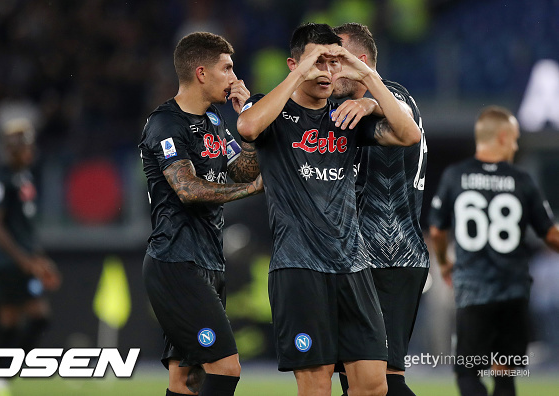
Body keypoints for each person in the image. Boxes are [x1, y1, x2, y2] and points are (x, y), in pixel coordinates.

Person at [237, 23, 421, 396]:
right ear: (295, 65)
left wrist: (367, 77)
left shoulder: (345, 118)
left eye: (333, 63)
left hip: (353, 268)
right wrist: (300, 73)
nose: (327, 72)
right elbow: (248, 126)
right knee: (317, 387)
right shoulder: (272, 111)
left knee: (374, 386)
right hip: (300, 268)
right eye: (318, 62)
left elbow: (408, 134)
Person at [139, 32, 263, 396]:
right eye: (227, 68)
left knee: (187, 378)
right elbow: (187, 189)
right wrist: (252, 190)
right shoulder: (165, 123)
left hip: (209, 258)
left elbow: (243, 169)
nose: (234, 78)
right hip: (175, 261)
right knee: (226, 368)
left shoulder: (214, 121)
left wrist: (248, 125)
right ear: (201, 72)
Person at [429, 106, 559, 396]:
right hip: (513, 293)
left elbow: (437, 230)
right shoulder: (522, 180)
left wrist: (444, 262)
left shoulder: (455, 176)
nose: (515, 145)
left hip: (473, 291)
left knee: (468, 373)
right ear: (502, 137)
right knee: (505, 377)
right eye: (513, 138)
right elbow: (550, 234)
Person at [331, 23, 429, 396]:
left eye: (336, 60)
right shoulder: (345, 111)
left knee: (384, 381)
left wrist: (371, 98)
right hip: (360, 261)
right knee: (356, 381)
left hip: (392, 259)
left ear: (361, 62)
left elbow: (400, 111)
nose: (328, 69)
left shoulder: (393, 98)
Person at [0, 117, 61, 396]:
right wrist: (23, 260)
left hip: (26, 263)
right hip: (10, 263)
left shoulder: (25, 177)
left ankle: (4, 373)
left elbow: (26, 228)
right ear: (12, 148)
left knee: (37, 318)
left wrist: (40, 259)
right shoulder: (2, 179)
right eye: (24, 143)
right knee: (11, 320)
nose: (30, 148)